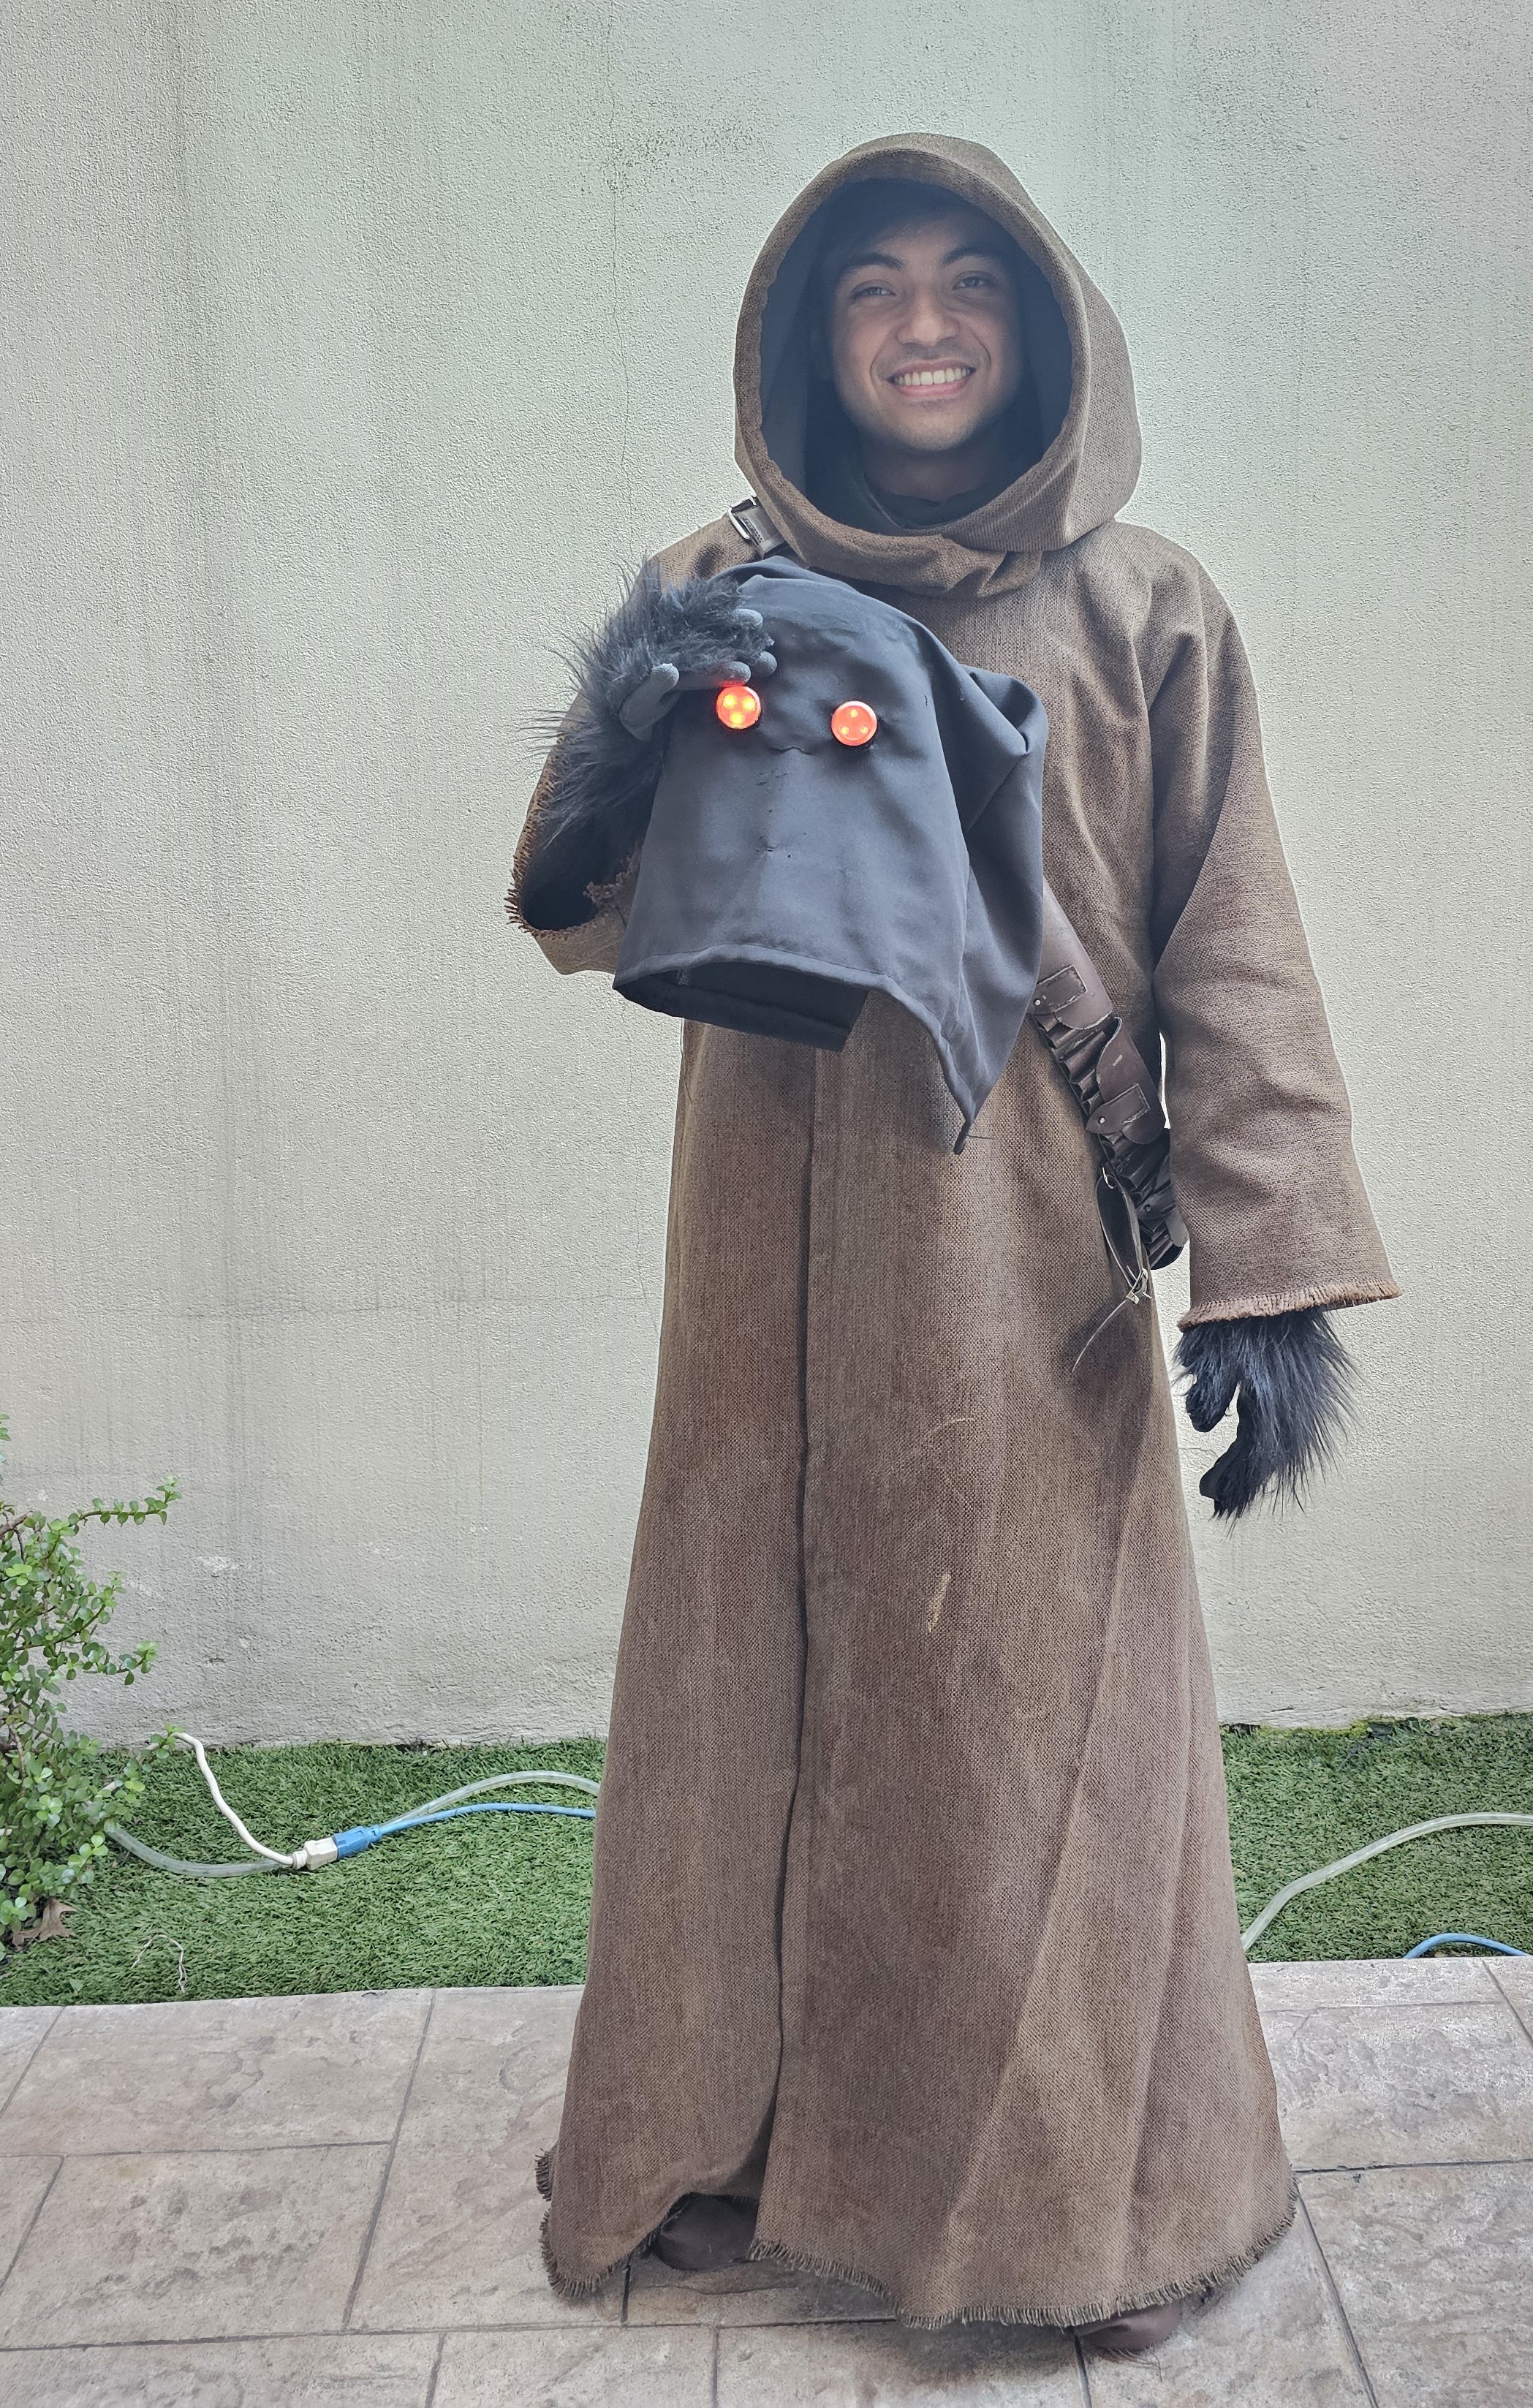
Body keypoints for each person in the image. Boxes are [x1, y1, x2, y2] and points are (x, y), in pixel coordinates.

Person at [511, 135, 1397, 2357]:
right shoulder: (720, 582)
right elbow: (587, 914)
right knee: (749, 1704)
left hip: (1025, 1284)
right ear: (811, 342)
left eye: (968, 284)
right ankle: (722, 2149)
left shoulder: (1147, 612)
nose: (922, 325)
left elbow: (1234, 944)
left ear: (1042, 326)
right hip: (767, 1263)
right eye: (873, 289)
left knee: (1035, 1747)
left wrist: (1274, 1277)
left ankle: (1086, 2210)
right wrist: (639, 700)